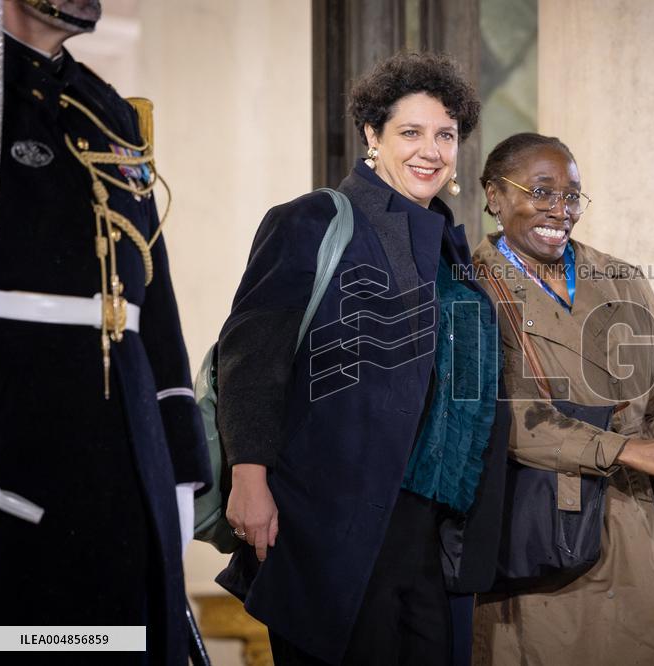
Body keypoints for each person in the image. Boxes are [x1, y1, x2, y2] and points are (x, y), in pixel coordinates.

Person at [215, 52, 510, 665]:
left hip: (431, 531)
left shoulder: (452, 248)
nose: (431, 150)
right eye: (410, 132)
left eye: (445, 135)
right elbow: (251, 359)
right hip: (326, 520)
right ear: (372, 135)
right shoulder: (312, 219)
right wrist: (249, 477)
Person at [471, 133, 654, 665]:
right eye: (541, 192)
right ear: (495, 196)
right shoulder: (471, 288)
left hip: (646, 532)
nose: (559, 211)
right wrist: (624, 450)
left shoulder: (622, 280)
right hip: (550, 539)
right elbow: (502, 418)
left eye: (571, 196)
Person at [0, 1, 211, 664]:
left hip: (123, 435)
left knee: (114, 640)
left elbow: (152, 292)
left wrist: (175, 462)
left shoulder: (105, 107)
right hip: (13, 429)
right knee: (26, 640)